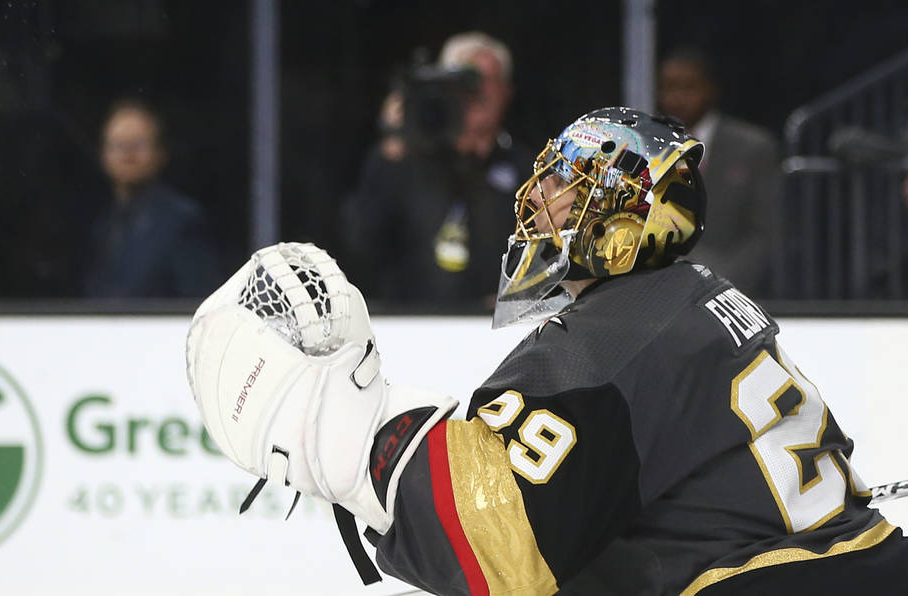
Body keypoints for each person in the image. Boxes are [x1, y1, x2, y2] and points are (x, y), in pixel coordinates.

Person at [187, 107, 908, 595]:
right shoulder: (696, 297)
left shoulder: (614, 339)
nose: (540, 195)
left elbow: (493, 540)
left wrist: (334, 439)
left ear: (627, 211)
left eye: (568, 181)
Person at [340, 31, 533, 308]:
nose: (477, 93)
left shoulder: (525, 171)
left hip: (496, 333)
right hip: (413, 329)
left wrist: (517, 298)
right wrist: (391, 147)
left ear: (506, 91)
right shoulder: (405, 163)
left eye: (485, 81)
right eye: (465, 82)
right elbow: (361, 245)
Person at [657, 47, 781, 298]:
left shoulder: (753, 148)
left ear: (710, 89)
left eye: (689, 87)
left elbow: (764, 234)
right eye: (669, 87)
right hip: (658, 292)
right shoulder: (647, 146)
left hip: (732, 290)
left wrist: (721, 285)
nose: (678, 97)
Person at [82, 99, 221, 298]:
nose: (128, 155)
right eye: (118, 145)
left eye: (138, 145)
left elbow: (200, 301)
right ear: (103, 155)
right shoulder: (102, 223)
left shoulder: (181, 220)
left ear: (160, 153)